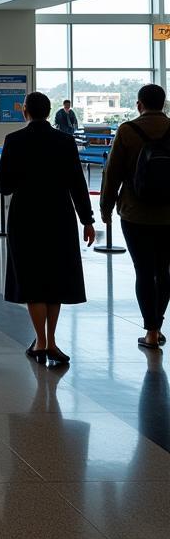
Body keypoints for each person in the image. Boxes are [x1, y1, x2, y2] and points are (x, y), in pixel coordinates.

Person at [0, 92, 95, 366]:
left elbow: (4, 185)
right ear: (50, 112)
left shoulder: (14, 141)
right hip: (59, 214)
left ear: (25, 111)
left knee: (32, 277)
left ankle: (39, 341)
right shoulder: (64, 141)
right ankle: (51, 341)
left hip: (26, 215)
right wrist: (87, 219)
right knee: (56, 276)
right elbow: (78, 182)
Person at [100, 83, 170, 350]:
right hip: (169, 215)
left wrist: (105, 209)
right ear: (163, 104)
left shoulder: (128, 131)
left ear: (139, 104)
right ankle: (159, 324)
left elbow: (112, 173)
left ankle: (150, 330)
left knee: (144, 270)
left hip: (135, 213)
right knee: (163, 271)